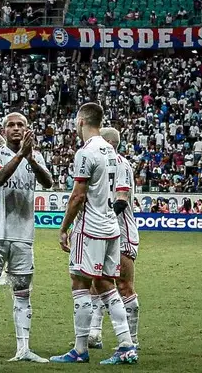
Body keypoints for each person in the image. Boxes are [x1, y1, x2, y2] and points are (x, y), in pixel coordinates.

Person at [53, 102, 138, 365]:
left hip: (90, 228)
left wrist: (64, 228)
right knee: (105, 285)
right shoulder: (112, 152)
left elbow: (78, 196)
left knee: (79, 282)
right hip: (112, 228)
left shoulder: (86, 152)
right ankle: (126, 345)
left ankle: (80, 349)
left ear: (80, 121)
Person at [0, 111, 52, 363]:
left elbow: (47, 182)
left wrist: (31, 159)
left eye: (21, 125)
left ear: (27, 129)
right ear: (3, 130)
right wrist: (20, 155)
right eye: (11, 125)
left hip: (24, 237)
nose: (16, 128)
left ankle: (23, 349)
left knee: (22, 292)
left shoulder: (36, 156)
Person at [86, 127, 141, 351]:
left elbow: (121, 200)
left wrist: (99, 218)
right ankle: (94, 334)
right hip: (103, 230)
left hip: (122, 232)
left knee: (124, 285)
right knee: (95, 283)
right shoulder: (104, 163)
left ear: (109, 142)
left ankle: (133, 340)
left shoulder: (120, 164)